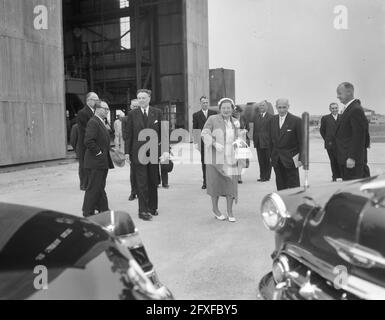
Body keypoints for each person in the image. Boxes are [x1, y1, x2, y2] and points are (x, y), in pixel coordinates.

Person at [201, 98, 246, 223]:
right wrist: (214, 143)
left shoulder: (236, 122)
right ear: (220, 109)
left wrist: (241, 138)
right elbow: (204, 133)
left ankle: (230, 211)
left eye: (228, 108)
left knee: (231, 185)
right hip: (215, 158)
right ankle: (215, 210)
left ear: (232, 109)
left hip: (231, 159)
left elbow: (239, 139)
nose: (226, 110)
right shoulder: (212, 119)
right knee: (215, 185)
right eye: (223, 108)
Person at [124, 90, 164, 221]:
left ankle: (153, 207)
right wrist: (127, 153)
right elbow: (128, 135)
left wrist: (165, 151)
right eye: (139, 98)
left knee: (153, 181)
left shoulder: (157, 112)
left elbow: (164, 132)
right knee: (141, 183)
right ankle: (143, 210)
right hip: (138, 153)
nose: (141, 100)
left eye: (143, 97)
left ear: (149, 98)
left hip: (153, 153)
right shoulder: (132, 114)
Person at [82, 101, 114, 217]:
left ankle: (103, 209)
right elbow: (88, 141)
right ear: (97, 109)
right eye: (105, 109)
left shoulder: (100, 121)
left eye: (108, 109)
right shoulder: (93, 122)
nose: (107, 111)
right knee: (93, 188)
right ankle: (87, 212)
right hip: (95, 162)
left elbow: (102, 140)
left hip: (100, 162)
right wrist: (99, 153)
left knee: (99, 187)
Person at [335, 83, 368, 180]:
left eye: (339, 93)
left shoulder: (355, 109)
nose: (337, 96)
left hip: (351, 160)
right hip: (345, 158)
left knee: (353, 190)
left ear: (349, 92)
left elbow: (359, 136)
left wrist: (352, 157)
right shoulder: (349, 108)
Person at [269, 99, 302, 191]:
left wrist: (301, 159)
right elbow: (270, 140)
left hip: (291, 159)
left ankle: (294, 203)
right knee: (280, 184)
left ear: (288, 107)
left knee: (293, 185)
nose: (282, 110)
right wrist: (271, 155)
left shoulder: (296, 120)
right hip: (277, 158)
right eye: (279, 107)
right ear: (276, 107)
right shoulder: (272, 120)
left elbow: (301, 141)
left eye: (284, 107)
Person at [193, 96, 217, 189]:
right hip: (203, 143)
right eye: (203, 102)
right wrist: (196, 142)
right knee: (204, 162)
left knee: (213, 162)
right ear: (200, 104)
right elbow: (195, 128)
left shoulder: (213, 113)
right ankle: (205, 182)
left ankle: (213, 182)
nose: (205, 104)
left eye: (207, 102)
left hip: (212, 141)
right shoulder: (196, 115)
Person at [77, 92, 99, 190]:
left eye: (97, 100)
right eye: (95, 99)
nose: (97, 101)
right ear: (88, 100)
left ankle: (90, 182)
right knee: (84, 165)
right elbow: (85, 130)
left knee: (91, 165)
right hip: (85, 144)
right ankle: (84, 184)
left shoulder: (96, 112)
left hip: (93, 143)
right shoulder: (83, 113)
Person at [122, 99, 140, 201]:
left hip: (145, 150)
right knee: (133, 173)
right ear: (130, 107)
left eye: (137, 107)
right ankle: (133, 192)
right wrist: (127, 153)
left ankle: (142, 192)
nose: (135, 108)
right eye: (134, 106)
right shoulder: (125, 120)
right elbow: (125, 137)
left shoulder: (145, 117)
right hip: (133, 150)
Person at [320, 103, 342, 182]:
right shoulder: (325, 118)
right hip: (330, 144)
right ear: (330, 109)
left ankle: (342, 175)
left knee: (341, 160)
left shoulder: (342, 117)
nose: (334, 110)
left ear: (338, 108)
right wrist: (327, 139)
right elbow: (322, 130)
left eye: (336, 108)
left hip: (341, 145)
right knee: (333, 161)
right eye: (332, 108)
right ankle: (335, 176)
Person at [253, 100, 273, 182]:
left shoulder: (271, 117)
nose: (261, 107)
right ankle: (262, 176)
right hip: (258, 142)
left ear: (267, 107)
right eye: (260, 105)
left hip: (267, 142)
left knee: (267, 160)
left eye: (263, 105)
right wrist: (255, 140)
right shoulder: (256, 117)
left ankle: (267, 176)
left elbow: (273, 130)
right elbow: (255, 130)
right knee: (261, 160)